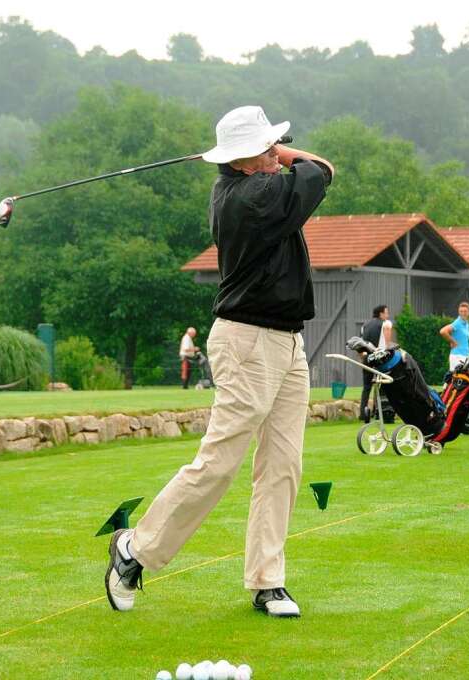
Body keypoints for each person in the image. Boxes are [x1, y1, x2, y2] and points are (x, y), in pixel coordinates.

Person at [105, 105, 334, 618]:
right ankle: (133, 549)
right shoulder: (253, 197)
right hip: (248, 342)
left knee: (283, 467)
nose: (278, 156)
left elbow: (305, 172)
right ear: (245, 161)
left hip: (287, 343)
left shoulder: (254, 185)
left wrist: (266, 150)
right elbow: (322, 169)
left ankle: (267, 581)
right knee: (220, 462)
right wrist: (285, 154)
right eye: (269, 150)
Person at [358, 305, 393, 421]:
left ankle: (363, 414)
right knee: (381, 385)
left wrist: (361, 357)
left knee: (366, 387)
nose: (387, 315)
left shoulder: (365, 325)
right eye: (386, 313)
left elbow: (360, 343)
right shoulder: (385, 324)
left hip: (367, 358)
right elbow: (387, 344)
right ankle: (378, 412)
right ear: (381, 314)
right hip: (379, 358)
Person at [440, 301, 469, 371]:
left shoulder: (467, 324)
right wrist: (453, 342)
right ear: (459, 312)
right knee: (455, 380)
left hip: (465, 356)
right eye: (461, 311)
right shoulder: (457, 323)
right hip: (457, 356)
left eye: (465, 311)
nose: (463, 313)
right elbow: (443, 331)